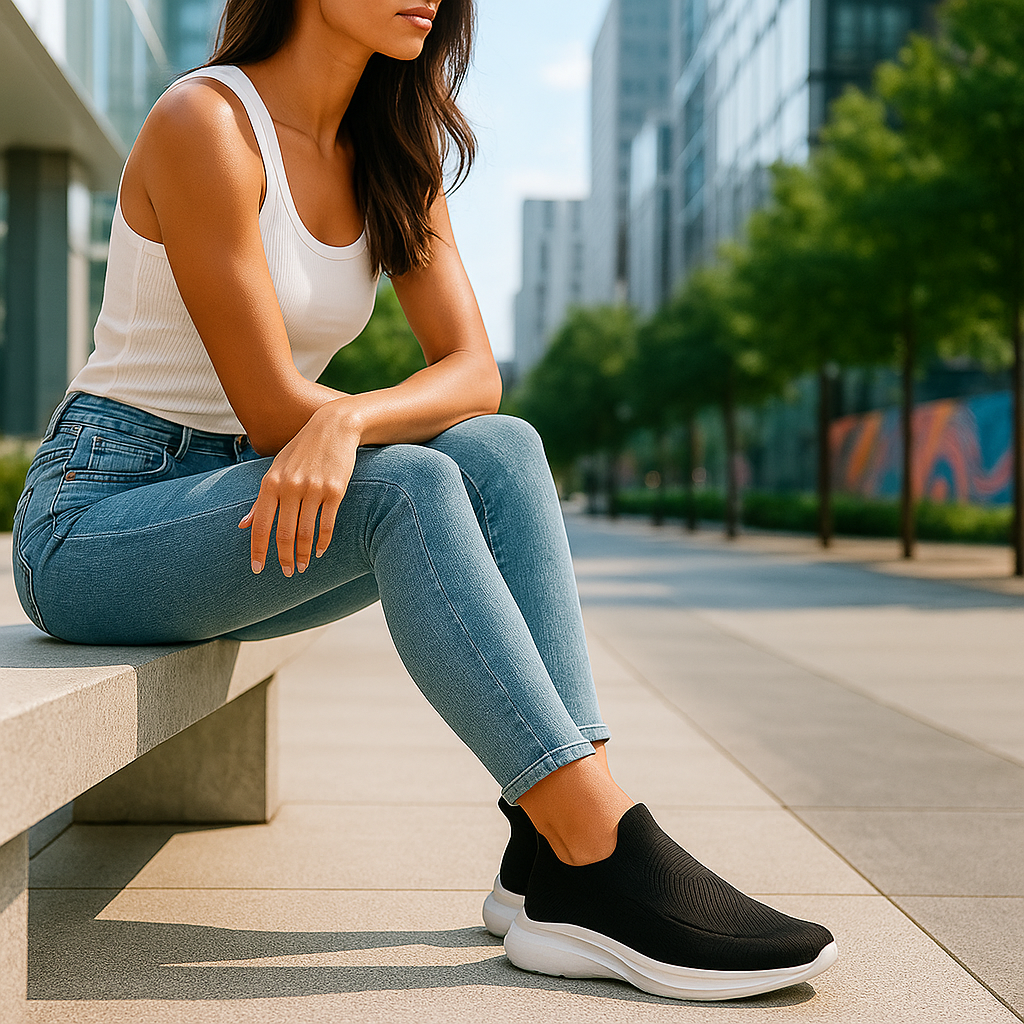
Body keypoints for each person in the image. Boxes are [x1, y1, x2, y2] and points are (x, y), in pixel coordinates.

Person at [11, 0, 837, 1002]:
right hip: (99, 516)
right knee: (410, 484)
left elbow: (475, 375)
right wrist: (345, 425)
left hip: (249, 499)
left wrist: (349, 420)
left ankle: (553, 847)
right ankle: (597, 849)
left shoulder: (394, 149)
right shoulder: (207, 124)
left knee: (499, 447)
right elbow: (272, 407)